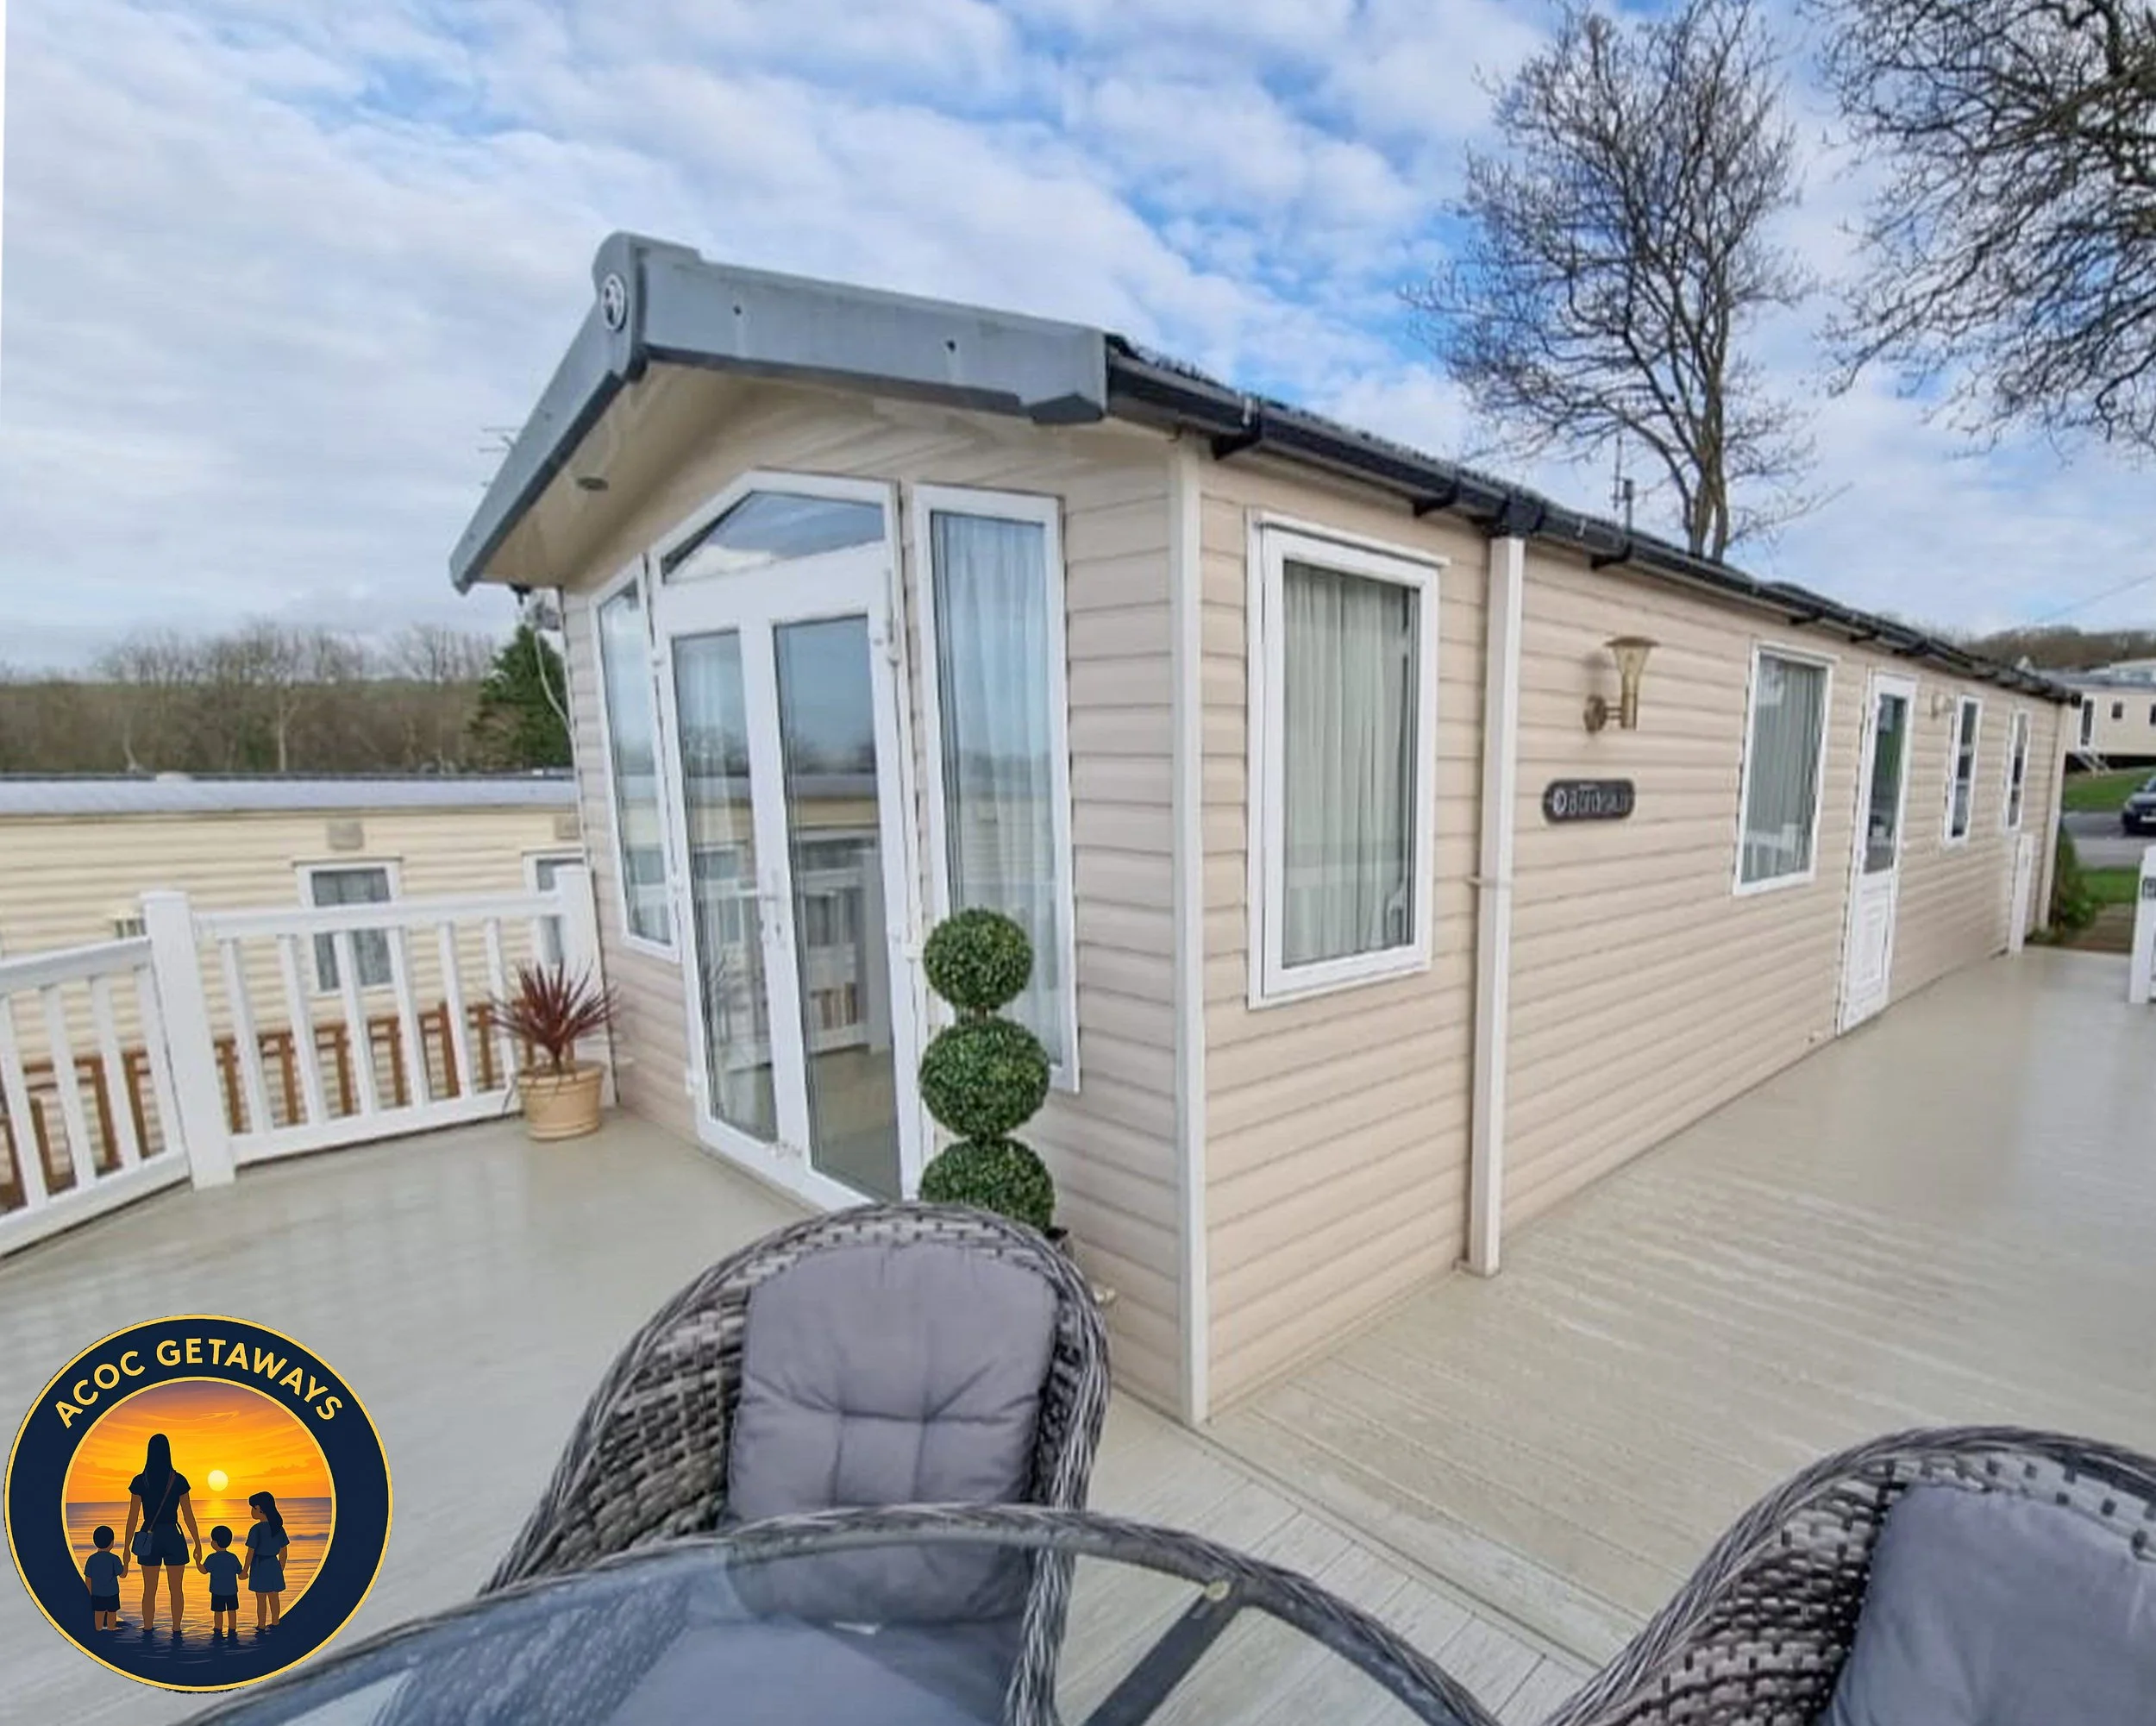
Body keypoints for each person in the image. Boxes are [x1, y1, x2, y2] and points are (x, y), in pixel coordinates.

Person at [120, 1434, 201, 1633]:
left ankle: (148, 1628)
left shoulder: (140, 1481)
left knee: (149, 1590)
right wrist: (197, 1542)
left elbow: (133, 1517)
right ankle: (176, 1629)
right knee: (176, 1590)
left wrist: (126, 1547)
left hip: (149, 1536)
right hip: (173, 1535)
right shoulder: (178, 1480)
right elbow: (188, 1514)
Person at [245, 1491, 288, 1629]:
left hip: (260, 1565)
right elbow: (284, 1550)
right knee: (274, 1597)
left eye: (252, 1508)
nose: (251, 1511)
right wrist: (280, 1567)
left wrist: (245, 1570)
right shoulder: (278, 1528)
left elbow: (250, 1552)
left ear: (259, 1508)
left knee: (261, 1599)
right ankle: (276, 1622)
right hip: (273, 1565)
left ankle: (261, 1625)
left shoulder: (256, 1529)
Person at [198, 1526, 243, 1636]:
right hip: (231, 1591)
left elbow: (204, 1570)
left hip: (217, 1591)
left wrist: (197, 1562)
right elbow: (240, 1571)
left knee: (218, 1612)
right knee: (232, 1610)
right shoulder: (233, 1557)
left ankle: (218, 1628)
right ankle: (232, 1629)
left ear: (215, 1542)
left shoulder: (212, 1558)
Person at [84, 1526, 124, 1631]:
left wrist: (89, 1593)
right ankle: (111, 1627)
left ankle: (98, 1629)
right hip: (112, 1593)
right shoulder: (114, 1559)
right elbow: (122, 1574)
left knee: (99, 1612)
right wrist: (126, 1564)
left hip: (97, 1594)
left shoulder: (91, 1559)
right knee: (112, 1612)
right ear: (112, 1543)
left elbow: (88, 1579)